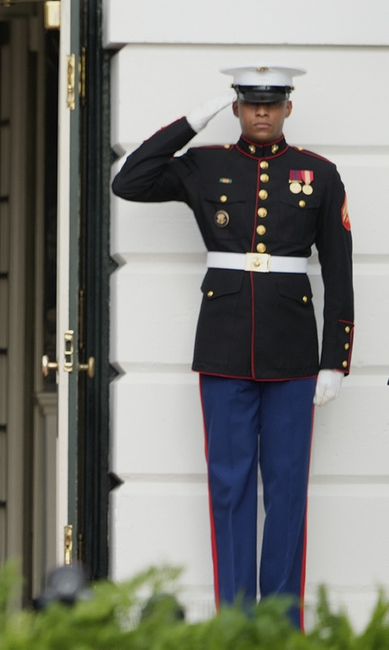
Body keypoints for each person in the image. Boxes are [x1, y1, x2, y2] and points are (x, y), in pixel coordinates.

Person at [111, 65, 354, 627]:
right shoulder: (206, 163)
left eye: (272, 104)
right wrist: (194, 120)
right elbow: (130, 180)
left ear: (288, 108)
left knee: (288, 491)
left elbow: (338, 273)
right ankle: (236, 624)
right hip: (223, 347)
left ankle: (282, 625)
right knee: (230, 488)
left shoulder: (318, 174)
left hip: (294, 353)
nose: (261, 113)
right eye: (249, 104)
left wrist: (333, 360)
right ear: (238, 108)